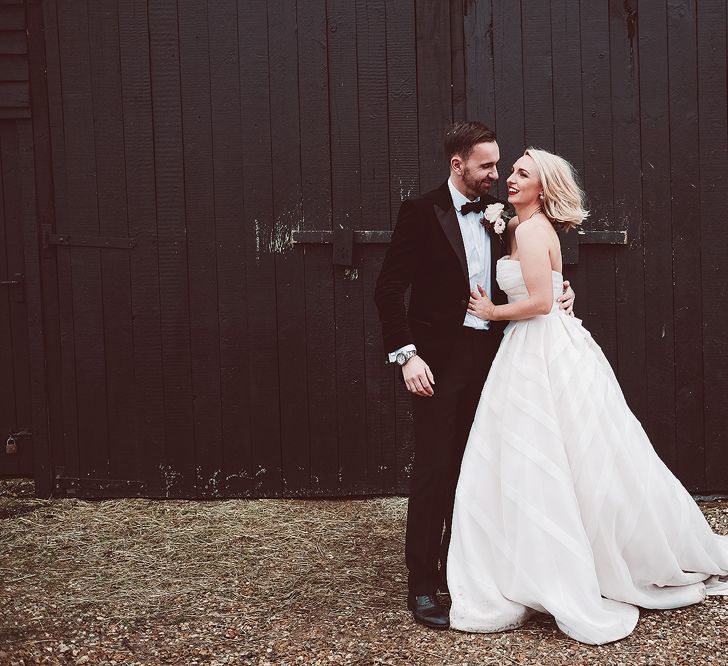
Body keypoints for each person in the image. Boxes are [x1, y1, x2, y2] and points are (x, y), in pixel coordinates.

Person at [447, 147, 728, 644]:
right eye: (511, 171)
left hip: (539, 348)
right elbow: (549, 289)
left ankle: (564, 558)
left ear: (543, 187)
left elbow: (536, 302)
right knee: (556, 449)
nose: (510, 178)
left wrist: (492, 312)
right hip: (536, 344)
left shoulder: (532, 230)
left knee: (551, 445)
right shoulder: (516, 226)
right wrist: (556, 292)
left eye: (522, 174)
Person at [373, 123, 575, 629]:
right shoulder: (420, 212)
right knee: (436, 468)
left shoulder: (503, 215)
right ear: (457, 163)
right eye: (486, 165)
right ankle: (423, 584)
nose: (496, 173)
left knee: (486, 467)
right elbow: (388, 289)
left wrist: (561, 289)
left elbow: (532, 274)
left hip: (498, 357)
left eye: (500, 164)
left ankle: (473, 571)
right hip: (438, 363)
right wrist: (407, 355)